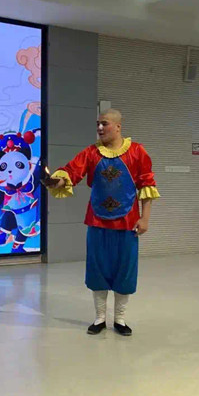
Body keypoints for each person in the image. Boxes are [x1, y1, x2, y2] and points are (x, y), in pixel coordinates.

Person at [46, 109, 160, 336]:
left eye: (104, 123)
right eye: (97, 124)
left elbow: (147, 185)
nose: (99, 128)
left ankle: (120, 319)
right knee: (97, 270)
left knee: (124, 271)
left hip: (127, 223)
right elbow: (71, 172)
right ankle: (99, 318)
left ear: (118, 126)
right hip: (97, 222)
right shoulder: (91, 153)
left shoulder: (137, 152)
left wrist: (145, 218)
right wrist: (56, 181)